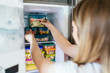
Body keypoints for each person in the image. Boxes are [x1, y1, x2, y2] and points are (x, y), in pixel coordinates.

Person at [25, 0, 110, 73]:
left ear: (83, 34)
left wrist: (32, 40)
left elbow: (42, 65)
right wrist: (51, 27)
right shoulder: (100, 54)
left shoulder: (77, 70)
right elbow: (67, 47)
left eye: (73, 28)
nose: (73, 33)